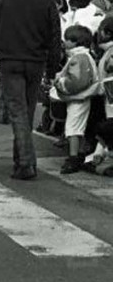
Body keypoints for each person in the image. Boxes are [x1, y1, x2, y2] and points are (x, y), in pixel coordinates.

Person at [0, 0, 62, 180]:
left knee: (17, 112)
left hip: (10, 62)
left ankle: (25, 163)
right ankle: (21, 161)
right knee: (26, 112)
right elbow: (55, 39)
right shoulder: (47, 3)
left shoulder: (2, 0)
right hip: (36, 63)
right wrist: (52, 69)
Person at [50, 25, 98, 174]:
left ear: (75, 41)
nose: (64, 42)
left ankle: (73, 158)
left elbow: (76, 82)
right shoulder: (85, 56)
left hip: (77, 99)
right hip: (82, 98)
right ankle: (80, 154)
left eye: (67, 39)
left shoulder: (78, 58)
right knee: (78, 128)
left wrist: (59, 82)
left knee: (72, 129)